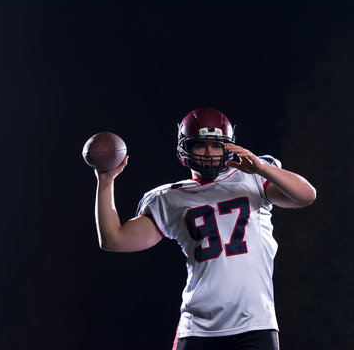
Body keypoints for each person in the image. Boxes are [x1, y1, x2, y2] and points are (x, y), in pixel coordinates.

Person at [93, 108, 316, 350]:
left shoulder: (252, 178)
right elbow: (114, 240)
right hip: (198, 327)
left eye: (216, 145)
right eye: (200, 145)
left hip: (255, 325)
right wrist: (106, 181)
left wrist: (262, 169)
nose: (209, 152)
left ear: (228, 146)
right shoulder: (170, 197)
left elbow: (306, 196)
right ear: (185, 148)